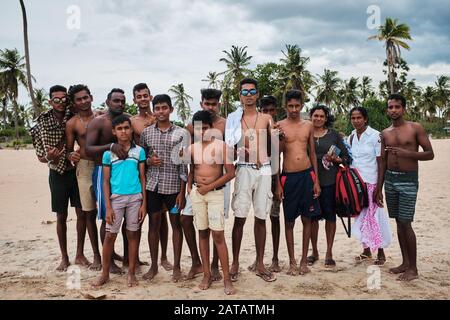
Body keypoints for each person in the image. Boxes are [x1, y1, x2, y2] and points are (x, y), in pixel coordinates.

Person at [376, 93, 434, 281]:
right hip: (390, 180)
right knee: (399, 223)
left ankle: (413, 268)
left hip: (408, 180)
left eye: (397, 107)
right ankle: (405, 263)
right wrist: (379, 188)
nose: (393, 110)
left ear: (404, 108)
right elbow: (383, 162)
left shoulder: (414, 128)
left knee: (406, 223)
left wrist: (405, 153)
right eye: (390, 107)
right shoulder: (385, 133)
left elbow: (429, 154)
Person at [226, 78, 277, 282]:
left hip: (263, 170)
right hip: (244, 169)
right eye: (244, 92)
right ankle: (235, 262)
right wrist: (237, 150)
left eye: (252, 91)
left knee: (261, 217)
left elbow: (273, 150)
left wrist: (276, 179)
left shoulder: (266, 118)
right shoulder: (233, 118)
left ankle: (260, 263)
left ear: (257, 94)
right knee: (239, 216)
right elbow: (227, 147)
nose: (248, 95)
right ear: (240, 95)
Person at [29, 85, 82, 271]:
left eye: (63, 99)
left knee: (81, 213)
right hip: (57, 173)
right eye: (56, 100)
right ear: (50, 102)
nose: (60, 103)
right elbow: (41, 157)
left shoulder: (72, 116)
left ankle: (80, 254)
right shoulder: (43, 123)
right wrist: (49, 157)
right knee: (61, 216)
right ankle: (65, 257)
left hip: (75, 170)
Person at [92, 115, 147, 287]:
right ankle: (105, 273)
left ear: (131, 130)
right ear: (114, 132)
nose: (124, 131)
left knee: (132, 234)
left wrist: (143, 203)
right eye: (120, 129)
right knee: (110, 236)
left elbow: (143, 177)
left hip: (135, 198)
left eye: (126, 128)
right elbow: (105, 181)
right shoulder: (108, 155)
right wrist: (107, 206)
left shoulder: (139, 151)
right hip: (116, 199)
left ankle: (131, 273)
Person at [140, 94, 188, 282]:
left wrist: (182, 192)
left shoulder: (182, 133)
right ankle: (153, 265)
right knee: (154, 224)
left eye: (164, 108)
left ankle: (176, 267)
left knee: (176, 225)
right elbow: (142, 158)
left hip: (174, 187)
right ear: (154, 110)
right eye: (157, 108)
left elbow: (184, 165)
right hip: (153, 186)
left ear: (171, 109)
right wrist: (150, 161)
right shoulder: (146, 133)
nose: (161, 111)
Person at [187, 110, 236, 295]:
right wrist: (190, 188)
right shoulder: (193, 148)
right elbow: (192, 169)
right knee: (202, 233)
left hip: (215, 194)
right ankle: (206, 274)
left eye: (205, 128)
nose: (202, 132)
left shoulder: (222, 147)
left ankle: (227, 279)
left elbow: (231, 173)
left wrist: (209, 187)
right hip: (198, 194)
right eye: (198, 129)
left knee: (218, 235)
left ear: (212, 128)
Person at [275, 90, 321, 276]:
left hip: (307, 175)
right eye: (290, 106)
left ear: (302, 106)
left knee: (307, 218)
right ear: (285, 106)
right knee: (289, 221)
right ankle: (292, 261)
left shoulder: (308, 125)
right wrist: (278, 183)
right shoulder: (279, 126)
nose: (294, 109)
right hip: (289, 177)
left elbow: (312, 154)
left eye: (297, 106)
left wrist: (316, 180)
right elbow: (276, 156)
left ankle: (303, 260)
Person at [86, 88, 129, 274]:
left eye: (122, 101)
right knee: (107, 216)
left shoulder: (126, 120)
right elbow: (88, 149)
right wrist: (110, 146)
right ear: (107, 102)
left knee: (127, 215)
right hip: (102, 172)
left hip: (125, 173)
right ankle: (108, 261)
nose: (119, 104)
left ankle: (124, 257)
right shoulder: (98, 122)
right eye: (116, 101)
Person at [130, 83, 172, 271]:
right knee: (138, 216)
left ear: (150, 97)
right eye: (139, 97)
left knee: (161, 218)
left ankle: (163, 257)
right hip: (138, 171)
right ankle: (135, 258)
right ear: (135, 100)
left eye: (145, 95)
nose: (142, 99)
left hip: (160, 174)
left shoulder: (159, 116)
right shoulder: (132, 121)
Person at [348, 106, 391, 265]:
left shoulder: (375, 136)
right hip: (356, 185)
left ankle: (381, 252)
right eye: (353, 118)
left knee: (374, 218)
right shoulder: (351, 137)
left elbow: (381, 163)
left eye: (359, 118)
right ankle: (366, 251)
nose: (356, 121)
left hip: (372, 184)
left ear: (365, 119)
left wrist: (379, 189)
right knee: (360, 217)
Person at [66, 84, 102, 271]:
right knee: (89, 212)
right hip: (85, 168)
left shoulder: (102, 117)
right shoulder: (73, 123)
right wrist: (70, 155)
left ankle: (110, 253)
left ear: (91, 97)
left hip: (104, 166)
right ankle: (97, 255)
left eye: (86, 97)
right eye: (79, 99)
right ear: (74, 103)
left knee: (109, 210)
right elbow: (69, 150)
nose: (83, 101)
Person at [308, 104, 350, 268]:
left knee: (330, 217)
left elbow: (346, 157)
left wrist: (336, 160)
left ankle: (329, 252)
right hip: (309, 181)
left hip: (330, 182)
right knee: (312, 218)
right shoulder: (306, 132)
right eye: (315, 115)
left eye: (321, 116)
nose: (318, 118)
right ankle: (314, 252)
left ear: (326, 118)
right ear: (311, 116)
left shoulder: (334, 136)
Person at [248, 95, 282, 273]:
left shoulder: (277, 131)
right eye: (265, 110)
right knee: (259, 217)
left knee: (274, 217)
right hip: (257, 176)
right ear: (261, 111)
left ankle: (275, 257)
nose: (269, 113)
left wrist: (278, 185)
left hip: (274, 177)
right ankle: (258, 258)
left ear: (275, 111)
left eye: (271, 110)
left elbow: (277, 159)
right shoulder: (256, 130)